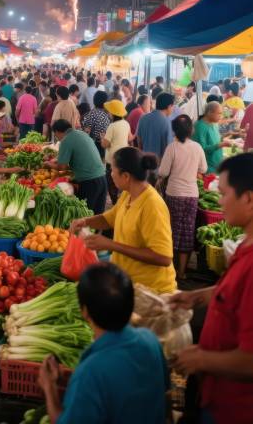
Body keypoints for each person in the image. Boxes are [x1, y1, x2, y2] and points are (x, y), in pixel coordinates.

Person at [174, 154, 253, 424]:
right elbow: (232, 291)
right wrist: (192, 297)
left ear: (249, 199)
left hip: (236, 410)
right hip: (217, 396)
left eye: (223, 193)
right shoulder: (245, 245)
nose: (219, 202)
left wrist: (200, 360)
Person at [38, 263, 169, 424]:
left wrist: (49, 388)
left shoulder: (90, 372)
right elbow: (164, 390)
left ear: (84, 311)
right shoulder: (150, 340)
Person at [73, 147, 176, 294]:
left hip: (151, 291)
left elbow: (163, 257)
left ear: (126, 176)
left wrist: (111, 245)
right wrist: (85, 221)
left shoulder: (153, 206)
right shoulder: (128, 195)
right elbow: (109, 219)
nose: (111, 174)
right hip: (128, 282)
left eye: (113, 170)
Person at [157, 114, 207, 280]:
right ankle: (182, 272)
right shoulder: (197, 147)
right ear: (191, 130)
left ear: (175, 131)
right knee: (187, 232)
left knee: (172, 231)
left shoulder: (172, 148)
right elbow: (204, 168)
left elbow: (163, 172)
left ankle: (170, 270)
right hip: (192, 195)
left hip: (174, 194)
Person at [50, 120, 107, 213]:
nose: (57, 138)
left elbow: (62, 167)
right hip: (102, 178)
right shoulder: (82, 134)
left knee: (84, 215)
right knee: (97, 215)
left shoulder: (66, 140)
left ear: (57, 132)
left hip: (89, 182)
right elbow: (81, 156)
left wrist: (48, 164)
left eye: (56, 135)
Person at [102, 100, 134, 205]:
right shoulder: (126, 123)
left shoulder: (112, 126)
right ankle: (123, 202)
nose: (108, 114)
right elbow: (130, 138)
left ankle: (115, 203)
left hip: (112, 160)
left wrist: (102, 138)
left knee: (111, 183)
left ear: (112, 113)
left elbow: (105, 144)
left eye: (109, 112)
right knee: (123, 181)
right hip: (123, 158)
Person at [193, 101, 232, 174]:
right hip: (207, 167)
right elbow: (202, 149)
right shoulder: (200, 126)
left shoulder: (214, 124)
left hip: (217, 164)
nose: (221, 116)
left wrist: (225, 136)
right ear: (209, 113)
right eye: (219, 113)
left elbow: (215, 140)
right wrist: (221, 145)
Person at [137, 91, 174, 159]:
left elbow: (139, 141)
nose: (173, 109)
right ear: (169, 106)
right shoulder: (167, 122)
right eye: (172, 106)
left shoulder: (143, 118)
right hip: (159, 165)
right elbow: (169, 147)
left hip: (144, 162)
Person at [82, 90, 111, 156]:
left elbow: (86, 132)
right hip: (105, 145)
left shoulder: (91, 114)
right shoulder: (107, 115)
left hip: (93, 146)